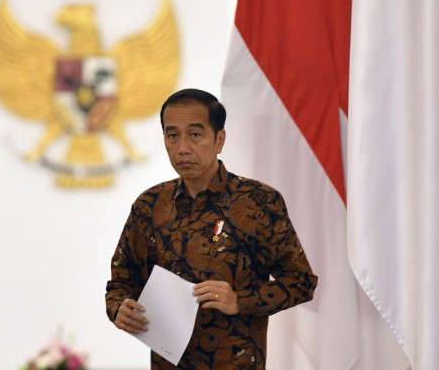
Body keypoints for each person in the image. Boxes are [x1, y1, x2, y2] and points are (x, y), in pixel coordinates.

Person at [105, 88, 318, 369]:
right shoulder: (150, 205)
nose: (182, 148)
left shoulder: (258, 201)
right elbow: (121, 282)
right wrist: (119, 308)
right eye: (172, 136)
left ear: (219, 140)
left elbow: (301, 282)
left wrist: (239, 301)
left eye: (195, 135)